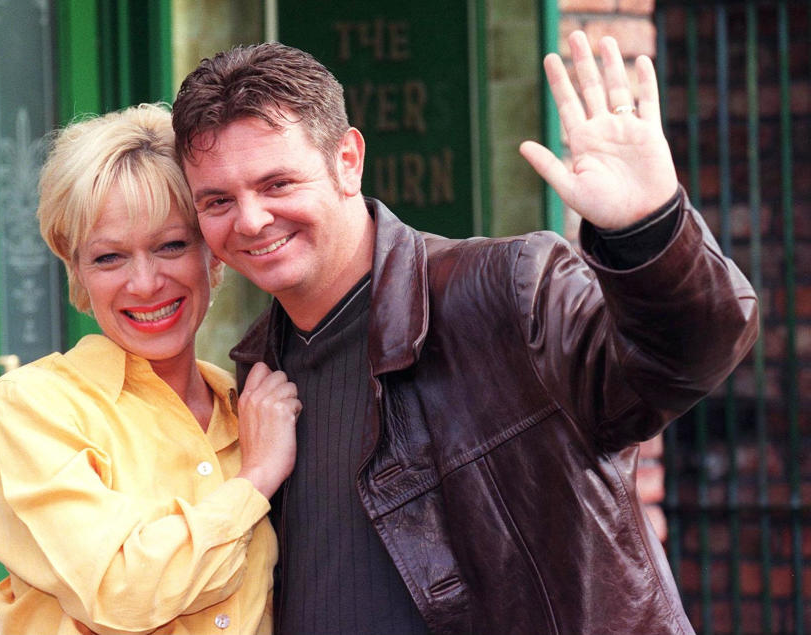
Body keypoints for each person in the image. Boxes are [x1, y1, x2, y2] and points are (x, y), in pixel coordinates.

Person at [170, 31, 759, 635]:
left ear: (347, 160)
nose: (250, 219)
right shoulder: (258, 369)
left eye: (277, 184)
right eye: (217, 201)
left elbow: (683, 360)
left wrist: (650, 231)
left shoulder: (505, 289)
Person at [0, 103, 300, 635]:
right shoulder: (31, 409)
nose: (145, 284)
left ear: (212, 252)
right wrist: (255, 480)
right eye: (109, 257)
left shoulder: (255, 407)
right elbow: (120, 591)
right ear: (74, 266)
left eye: (171, 246)